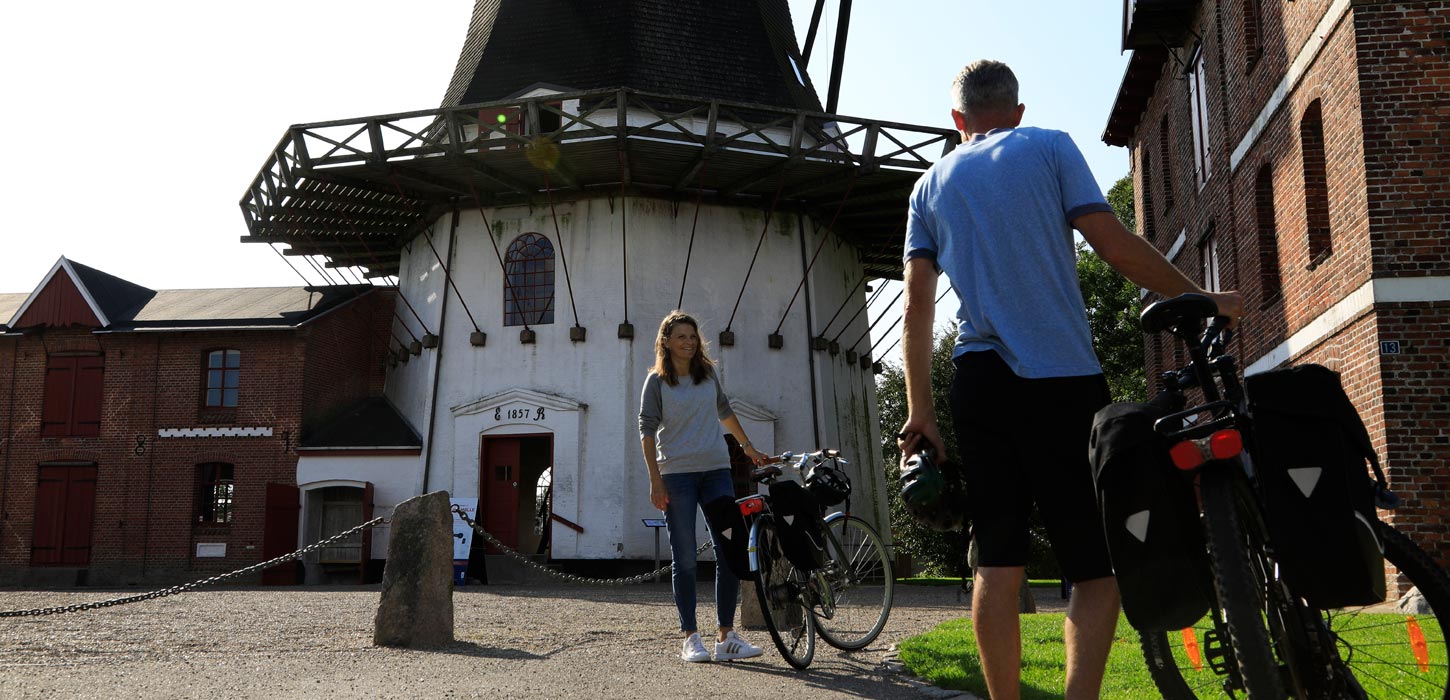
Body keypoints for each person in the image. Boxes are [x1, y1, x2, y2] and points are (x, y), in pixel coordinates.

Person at [897, 60, 1243, 700]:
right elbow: (1115, 246)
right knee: (1093, 565)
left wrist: (921, 413)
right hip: (1063, 380)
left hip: (979, 381)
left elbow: (917, 307)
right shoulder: (1050, 146)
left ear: (957, 120)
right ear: (1017, 112)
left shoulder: (928, 187)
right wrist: (1202, 299)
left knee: (997, 561)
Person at [639, 310, 769, 663]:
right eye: (681, 336)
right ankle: (691, 637)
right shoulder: (656, 382)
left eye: (693, 336)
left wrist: (748, 448)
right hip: (677, 476)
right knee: (684, 557)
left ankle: (726, 637)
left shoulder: (707, 374)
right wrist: (654, 478)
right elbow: (646, 430)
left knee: (729, 551)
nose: (689, 342)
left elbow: (725, 411)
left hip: (716, 472)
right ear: (666, 341)